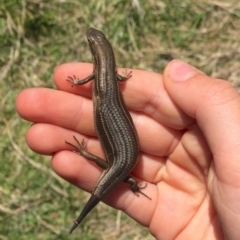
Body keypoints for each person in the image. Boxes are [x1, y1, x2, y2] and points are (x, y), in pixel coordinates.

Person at [15, 60, 240, 239]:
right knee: (119, 173)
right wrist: (129, 182)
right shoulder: (109, 74)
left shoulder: (125, 174)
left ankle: (86, 175)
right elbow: (120, 175)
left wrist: (90, 156)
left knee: (117, 172)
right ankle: (91, 167)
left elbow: (118, 173)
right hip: (126, 156)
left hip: (125, 160)